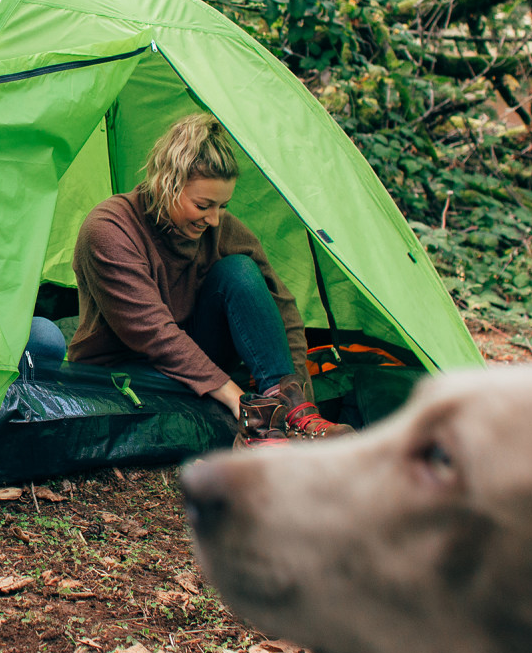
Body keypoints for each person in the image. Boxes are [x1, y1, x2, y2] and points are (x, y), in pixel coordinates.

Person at [30, 113, 351, 443]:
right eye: (203, 205)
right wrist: (238, 401)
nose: (213, 219)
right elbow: (155, 334)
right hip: (127, 370)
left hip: (199, 361)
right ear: (166, 183)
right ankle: (258, 423)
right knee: (172, 373)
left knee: (239, 271)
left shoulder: (222, 228)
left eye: (222, 205)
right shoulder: (109, 229)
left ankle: (288, 418)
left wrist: (295, 392)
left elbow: (281, 306)